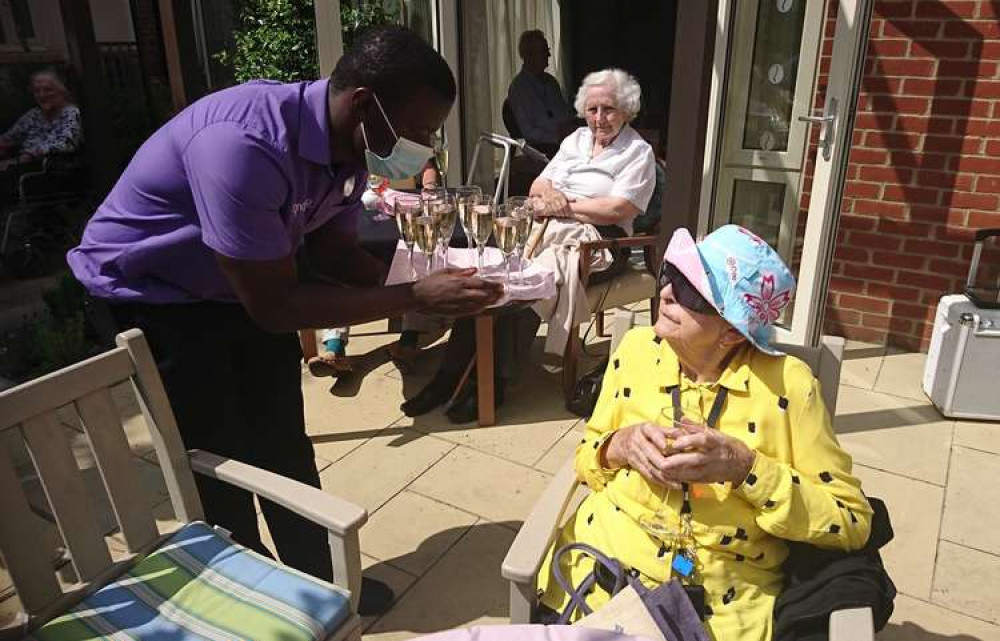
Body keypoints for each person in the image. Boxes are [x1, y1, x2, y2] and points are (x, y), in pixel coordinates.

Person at [67, 26, 503, 613]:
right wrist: (413, 297)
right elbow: (276, 307)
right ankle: (252, 599)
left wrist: (433, 290)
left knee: (282, 442)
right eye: (420, 129)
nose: (424, 145)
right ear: (365, 104)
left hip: (235, 285)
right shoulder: (242, 144)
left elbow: (330, 257)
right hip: (152, 293)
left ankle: (320, 585)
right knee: (217, 458)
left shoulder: (347, 151)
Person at [535, 225, 874, 640]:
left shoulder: (788, 387)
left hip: (717, 613)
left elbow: (851, 522)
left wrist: (745, 468)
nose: (666, 294)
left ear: (731, 332)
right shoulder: (635, 350)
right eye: (671, 275)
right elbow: (587, 458)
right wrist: (617, 446)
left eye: (692, 293)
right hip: (596, 581)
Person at [403, 68, 655, 423]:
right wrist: (550, 196)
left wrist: (563, 204)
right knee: (488, 273)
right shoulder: (575, 141)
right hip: (544, 228)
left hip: (599, 243)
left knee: (527, 282)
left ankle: (494, 382)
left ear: (627, 111)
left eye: (609, 109)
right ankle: (449, 374)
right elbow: (539, 184)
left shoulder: (637, 152)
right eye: (593, 109)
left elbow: (617, 208)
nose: (599, 118)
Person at [0, 70, 82, 201]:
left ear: (61, 91)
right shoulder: (34, 115)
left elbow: (67, 144)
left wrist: (29, 156)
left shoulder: (71, 113)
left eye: (48, 90)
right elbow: (9, 137)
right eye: (37, 91)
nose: (42, 95)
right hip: (22, 167)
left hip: (52, 170)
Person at [506, 30, 575, 157]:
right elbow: (529, 133)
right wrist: (558, 136)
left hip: (568, 141)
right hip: (544, 150)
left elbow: (564, 113)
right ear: (529, 56)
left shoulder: (551, 82)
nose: (549, 54)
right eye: (544, 50)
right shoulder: (519, 88)